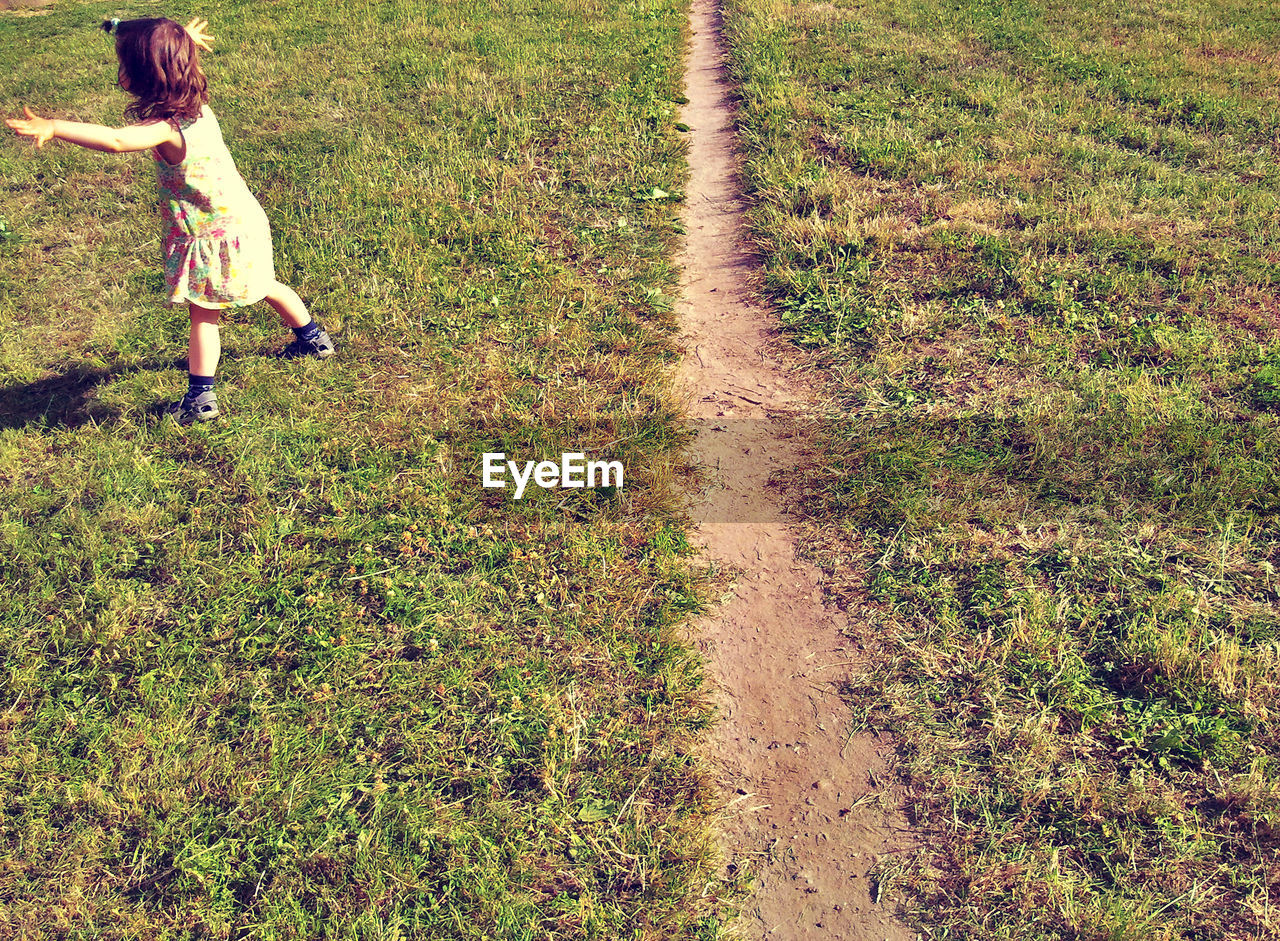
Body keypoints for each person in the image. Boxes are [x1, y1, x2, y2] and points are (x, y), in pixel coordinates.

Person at [6, 16, 333, 425]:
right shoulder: (197, 103)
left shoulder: (166, 129)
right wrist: (185, 42)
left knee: (204, 313)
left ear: (143, 77)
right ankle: (314, 339)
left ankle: (201, 398)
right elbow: (178, 63)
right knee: (265, 284)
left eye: (124, 65)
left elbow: (116, 140)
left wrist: (55, 126)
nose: (120, 72)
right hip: (243, 220)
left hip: (211, 235)